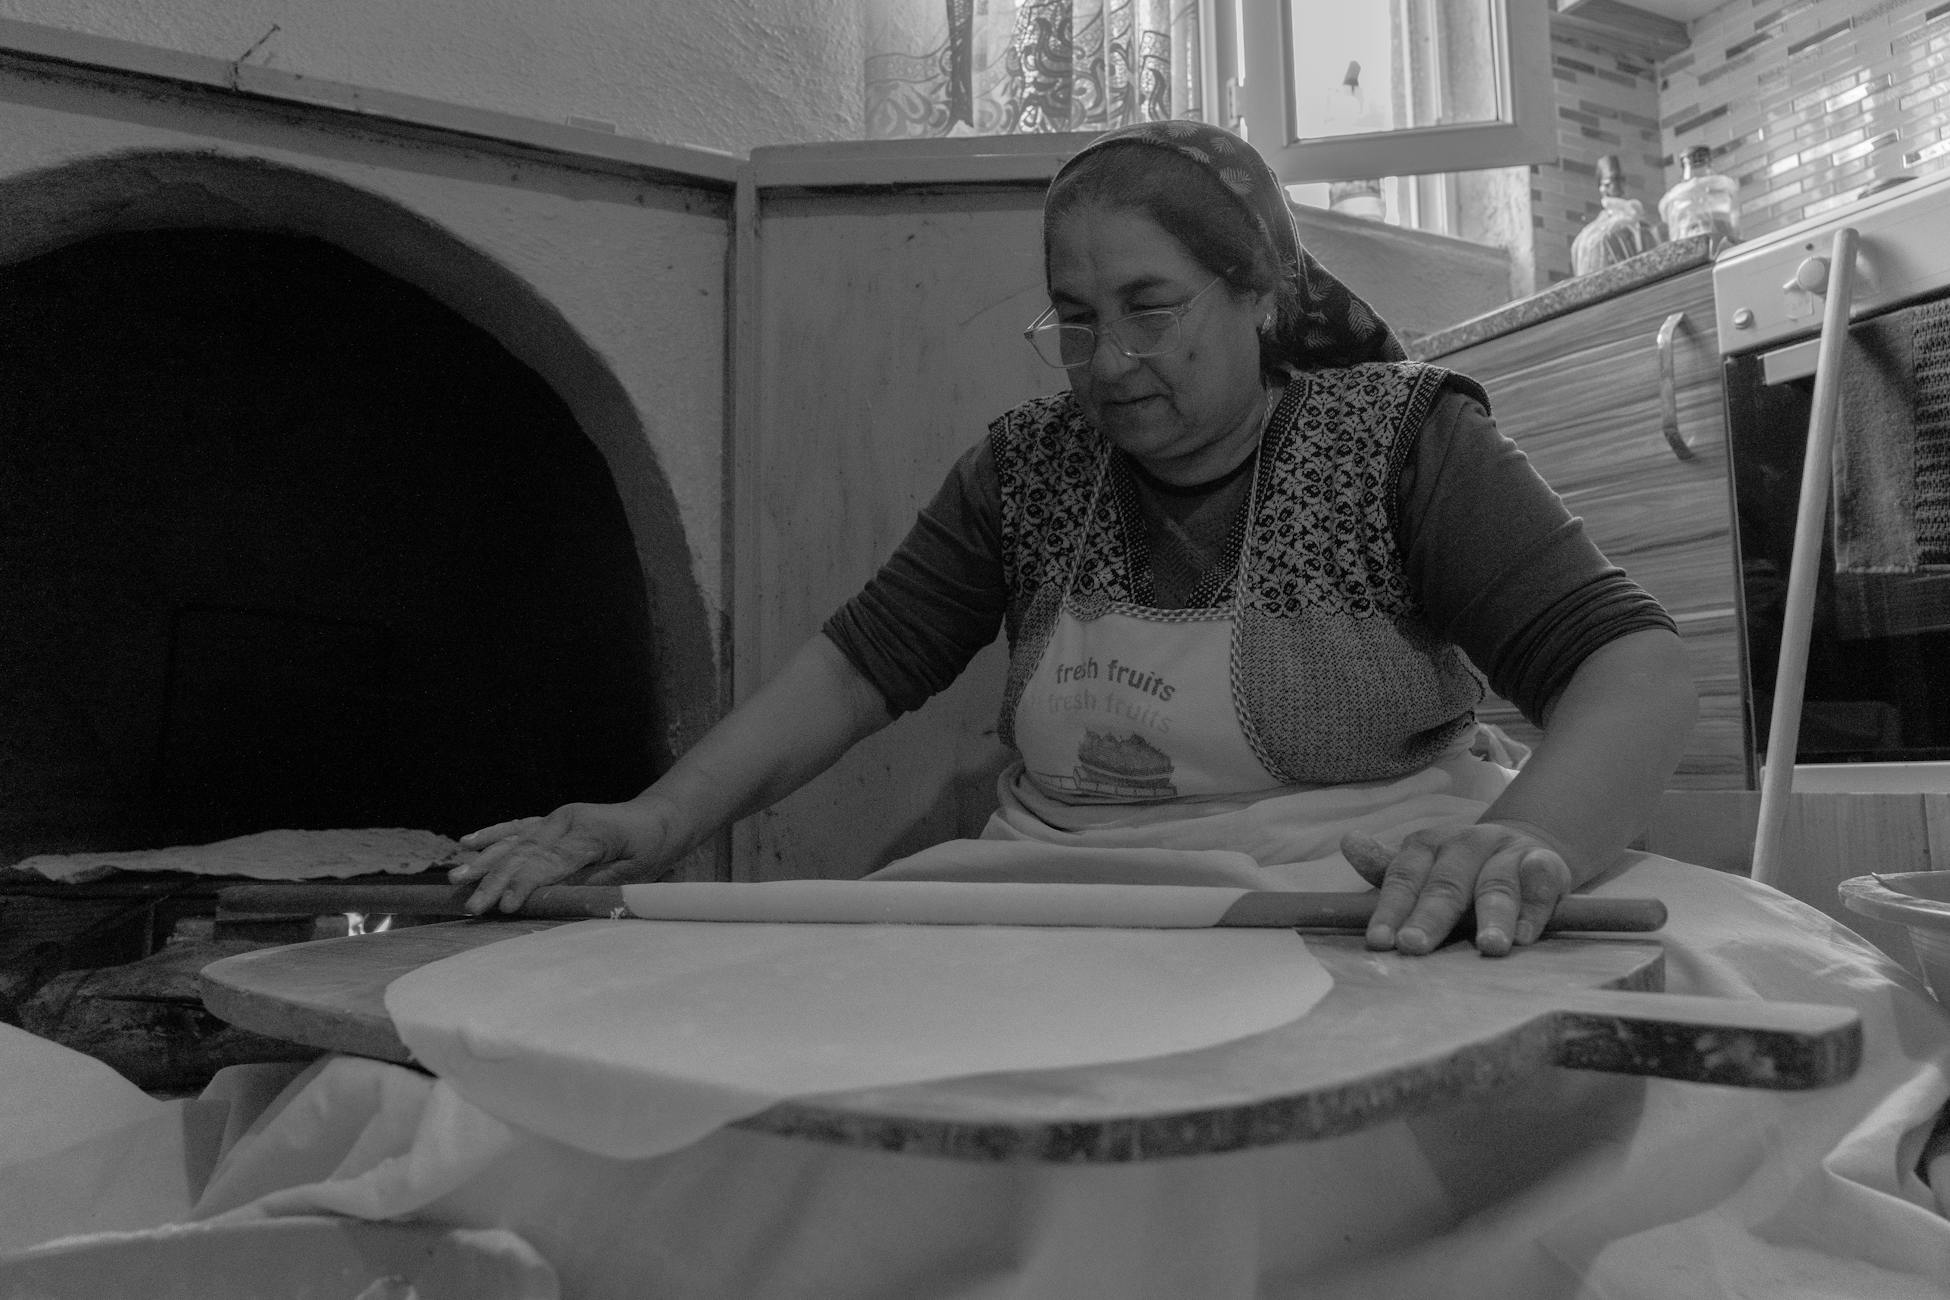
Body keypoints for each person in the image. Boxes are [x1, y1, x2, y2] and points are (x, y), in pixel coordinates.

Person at [452, 119, 1698, 957]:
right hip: (1070, 904)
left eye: (1151, 309)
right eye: (1076, 319)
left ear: (1258, 294)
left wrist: (1526, 839)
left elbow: (1628, 661)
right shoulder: (1029, 465)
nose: (1109, 363)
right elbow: (853, 667)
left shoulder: (1398, 440)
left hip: (1349, 897)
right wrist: (658, 821)